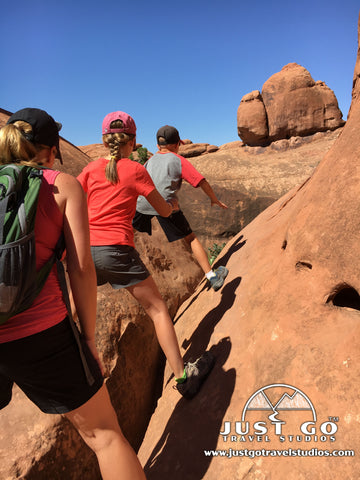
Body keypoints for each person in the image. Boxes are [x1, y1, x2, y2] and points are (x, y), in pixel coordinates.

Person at [0, 108, 145, 480]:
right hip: (39, 333)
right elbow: (81, 268)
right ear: (51, 150)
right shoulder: (60, 185)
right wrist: (88, 340)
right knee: (105, 436)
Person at [77, 111, 214, 399]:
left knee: (80, 319)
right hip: (117, 251)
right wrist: (173, 207)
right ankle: (183, 377)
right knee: (157, 310)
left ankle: (84, 377)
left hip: (85, 254)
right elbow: (163, 210)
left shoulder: (89, 170)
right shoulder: (136, 170)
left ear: (104, 141)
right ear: (134, 141)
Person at [133, 125, 229, 291]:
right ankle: (212, 277)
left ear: (157, 146)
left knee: (130, 235)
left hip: (142, 204)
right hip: (165, 205)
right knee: (190, 238)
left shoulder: (149, 161)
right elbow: (201, 181)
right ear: (177, 144)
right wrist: (214, 200)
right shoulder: (178, 160)